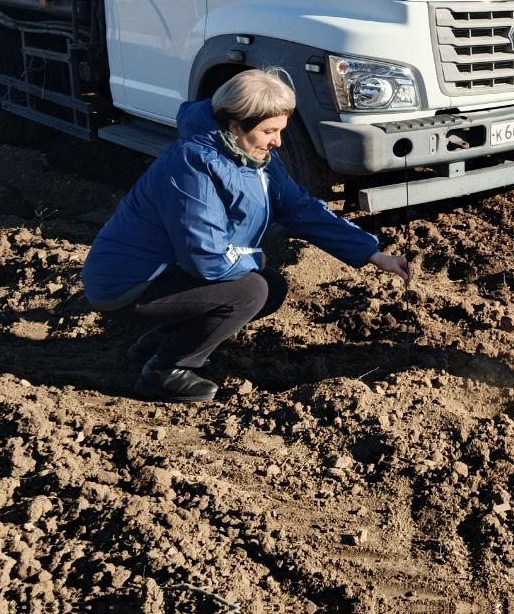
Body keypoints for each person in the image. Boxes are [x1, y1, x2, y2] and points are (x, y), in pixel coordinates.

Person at [82, 69, 411, 404]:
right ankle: (166, 370)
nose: (277, 142)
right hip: (126, 285)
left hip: (170, 272)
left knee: (270, 287)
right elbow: (207, 259)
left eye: (280, 130)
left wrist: (372, 253)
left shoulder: (258, 160)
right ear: (235, 125)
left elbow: (301, 209)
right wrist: (253, 257)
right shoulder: (193, 165)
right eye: (269, 131)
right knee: (251, 290)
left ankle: (161, 341)